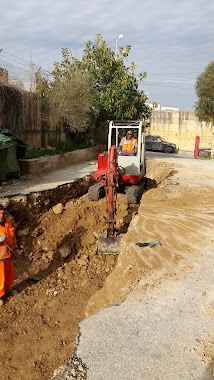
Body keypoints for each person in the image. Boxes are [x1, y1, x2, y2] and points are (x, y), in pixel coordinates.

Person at [0, 204, 17, 306]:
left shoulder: (8, 223)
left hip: (9, 255)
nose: (1, 215)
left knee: (9, 276)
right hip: (0, 258)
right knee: (0, 278)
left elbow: (13, 237)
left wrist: (15, 248)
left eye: (2, 213)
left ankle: (7, 290)